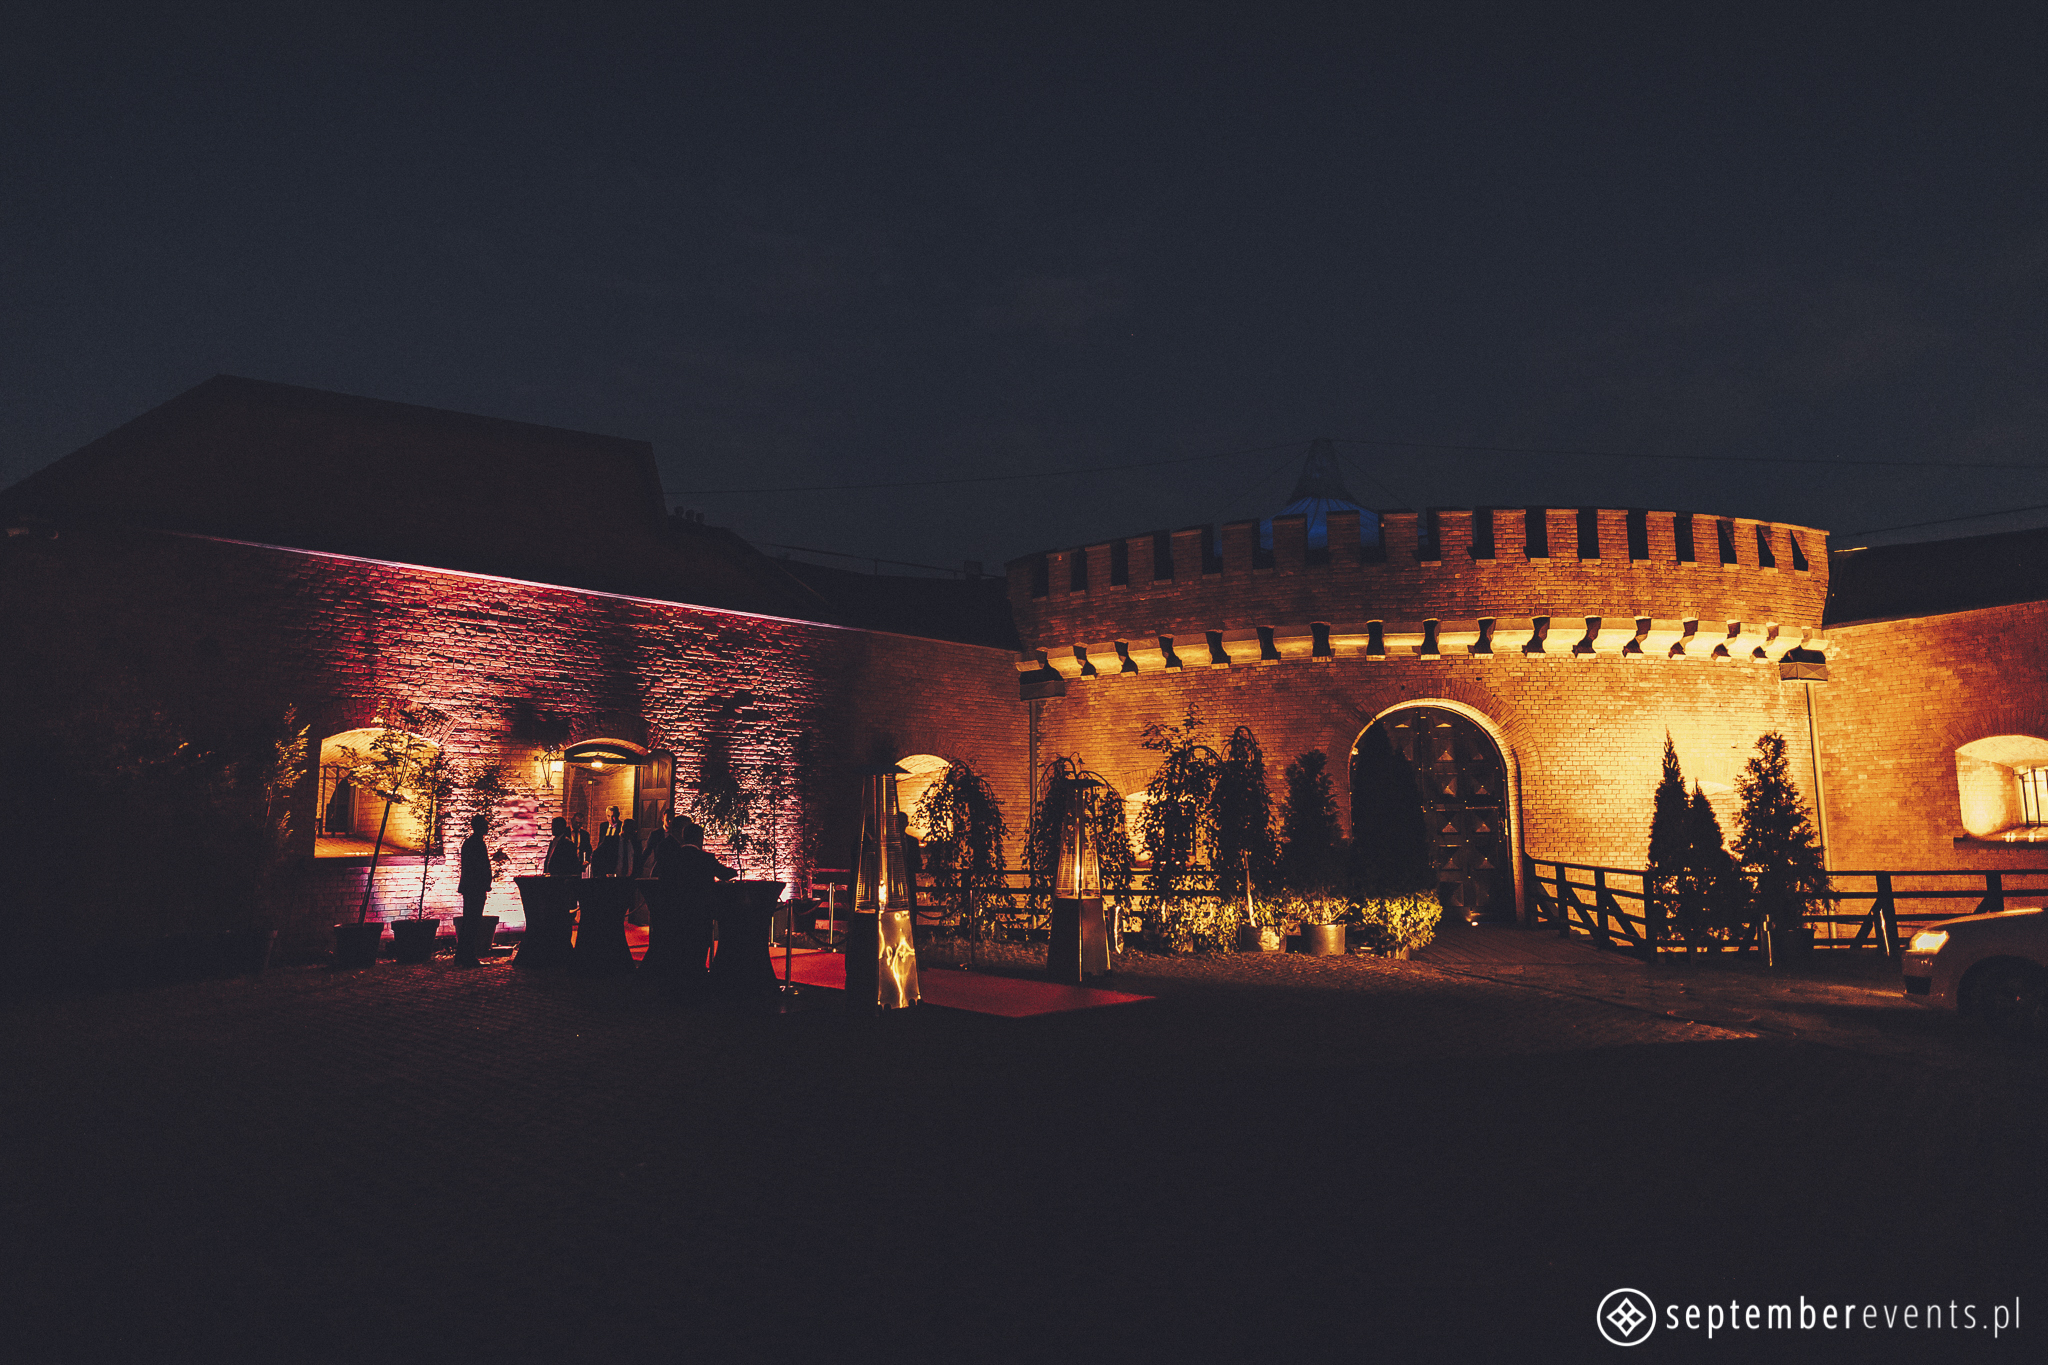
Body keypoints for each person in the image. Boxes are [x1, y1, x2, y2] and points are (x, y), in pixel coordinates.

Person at [456, 814, 493, 966]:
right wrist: (485, 881)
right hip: (475, 888)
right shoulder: (477, 843)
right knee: (472, 922)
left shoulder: (470, 843)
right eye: (485, 824)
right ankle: (468, 957)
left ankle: (461, 956)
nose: (488, 827)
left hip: (470, 887)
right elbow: (479, 867)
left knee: (469, 921)